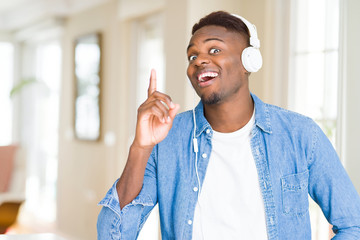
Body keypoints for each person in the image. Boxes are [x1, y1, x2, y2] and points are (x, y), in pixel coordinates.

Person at [97, 11, 360, 239]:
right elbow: (114, 234)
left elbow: (353, 225)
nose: (199, 60)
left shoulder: (301, 135)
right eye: (192, 56)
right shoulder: (167, 141)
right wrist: (140, 147)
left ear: (249, 61)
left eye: (214, 50)